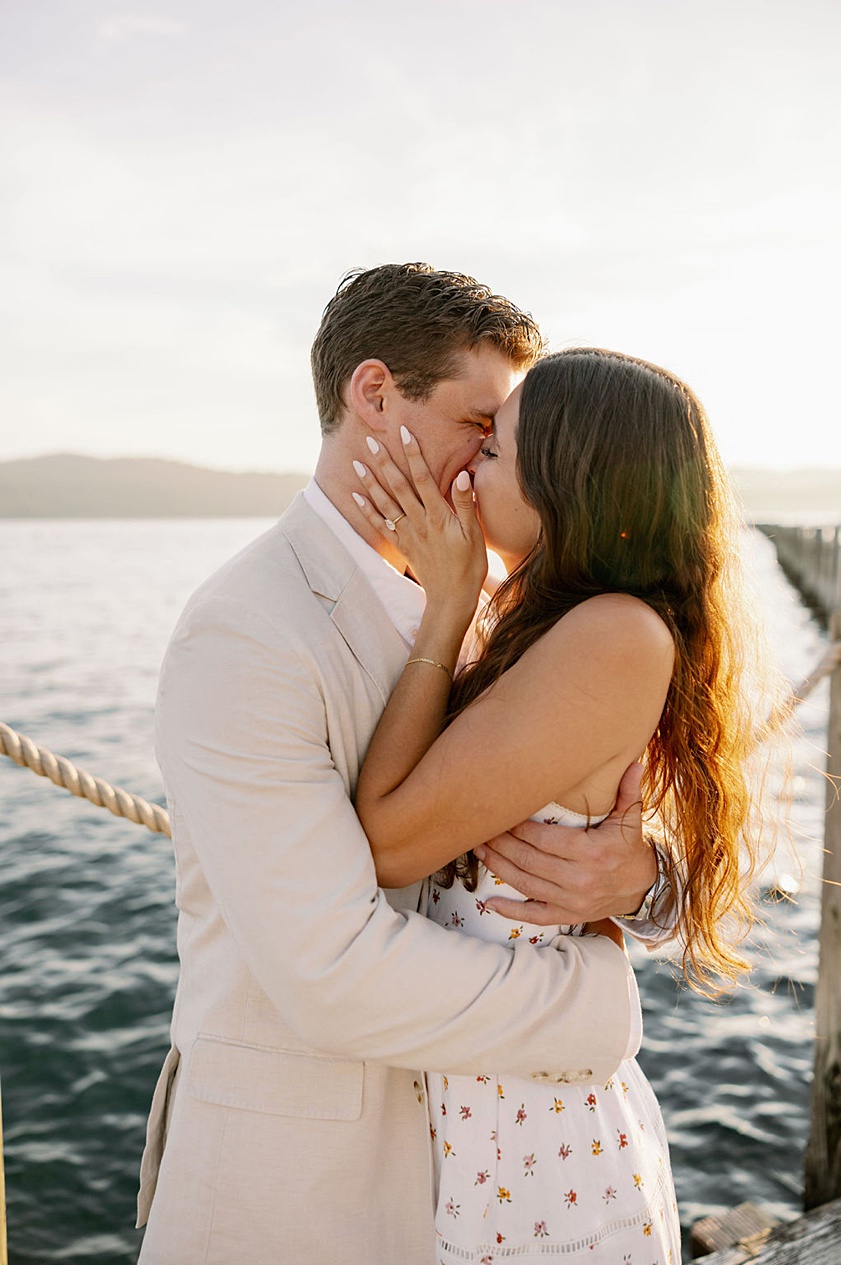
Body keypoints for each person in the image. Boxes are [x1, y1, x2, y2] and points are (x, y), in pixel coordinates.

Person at [141, 265, 669, 1263]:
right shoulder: (246, 629)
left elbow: (612, 823)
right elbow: (330, 969)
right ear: (374, 393)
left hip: (489, 1176)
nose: (487, 464)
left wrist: (641, 880)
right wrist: (595, 1009)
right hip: (299, 1190)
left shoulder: (497, 605)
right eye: (480, 423)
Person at [345, 346, 769, 1264]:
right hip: (491, 1103)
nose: (467, 467)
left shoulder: (612, 633)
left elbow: (385, 843)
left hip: (532, 1140)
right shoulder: (552, 620)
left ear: (568, 482)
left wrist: (449, 602)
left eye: (494, 451)